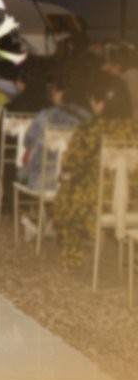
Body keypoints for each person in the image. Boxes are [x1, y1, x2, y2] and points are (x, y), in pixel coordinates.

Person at [52, 77, 138, 273]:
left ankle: (73, 258)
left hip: (97, 200)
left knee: (66, 199)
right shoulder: (135, 129)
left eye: (93, 99)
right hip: (132, 200)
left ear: (101, 103)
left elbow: (70, 164)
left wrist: (64, 177)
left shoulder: (90, 129)